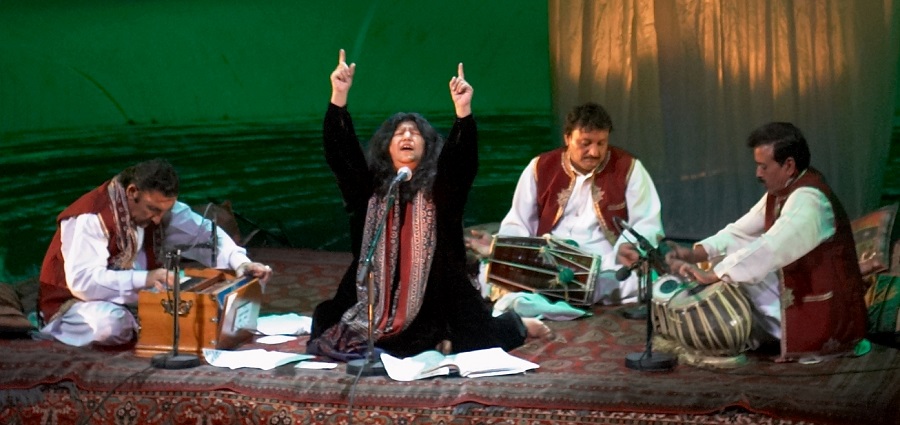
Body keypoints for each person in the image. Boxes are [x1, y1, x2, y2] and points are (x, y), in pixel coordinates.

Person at [307, 49, 551, 361]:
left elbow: (461, 165)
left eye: (415, 133)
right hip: (376, 295)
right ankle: (434, 341)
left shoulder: (440, 188)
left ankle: (516, 325)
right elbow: (342, 156)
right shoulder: (368, 189)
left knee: (472, 336)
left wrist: (463, 111)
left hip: (435, 294)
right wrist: (338, 95)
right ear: (386, 147)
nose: (407, 135)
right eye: (399, 132)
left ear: (427, 147)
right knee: (328, 323)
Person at [664, 122, 868, 362]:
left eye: (763, 166)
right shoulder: (783, 190)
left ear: (789, 166)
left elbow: (772, 247)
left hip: (828, 311)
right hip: (801, 286)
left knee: (740, 265)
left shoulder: (810, 199)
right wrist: (694, 254)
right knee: (732, 256)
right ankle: (759, 332)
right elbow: (739, 232)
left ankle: (782, 337)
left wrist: (717, 274)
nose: (758, 174)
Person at [38, 158, 273, 347]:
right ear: (132, 192)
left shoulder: (159, 210)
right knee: (110, 326)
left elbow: (207, 236)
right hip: (73, 303)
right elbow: (83, 282)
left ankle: (148, 321)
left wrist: (240, 262)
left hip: (133, 297)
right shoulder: (90, 217)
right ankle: (144, 322)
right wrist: (147, 279)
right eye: (153, 209)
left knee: (207, 302)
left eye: (165, 209)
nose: (158, 218)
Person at [467, 102, 665, 305]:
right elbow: (519, 221)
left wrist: (627, 247)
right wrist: (502, 249)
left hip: (605, 261)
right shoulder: (540, 167)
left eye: (601, 143)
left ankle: (535, 300)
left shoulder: (628, 167)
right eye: (585, 143)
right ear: (568, 138)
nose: (594, 152)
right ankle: (549, 297)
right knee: (488, 272)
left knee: (641, 281)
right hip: (549, 259)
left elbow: (646, 221)